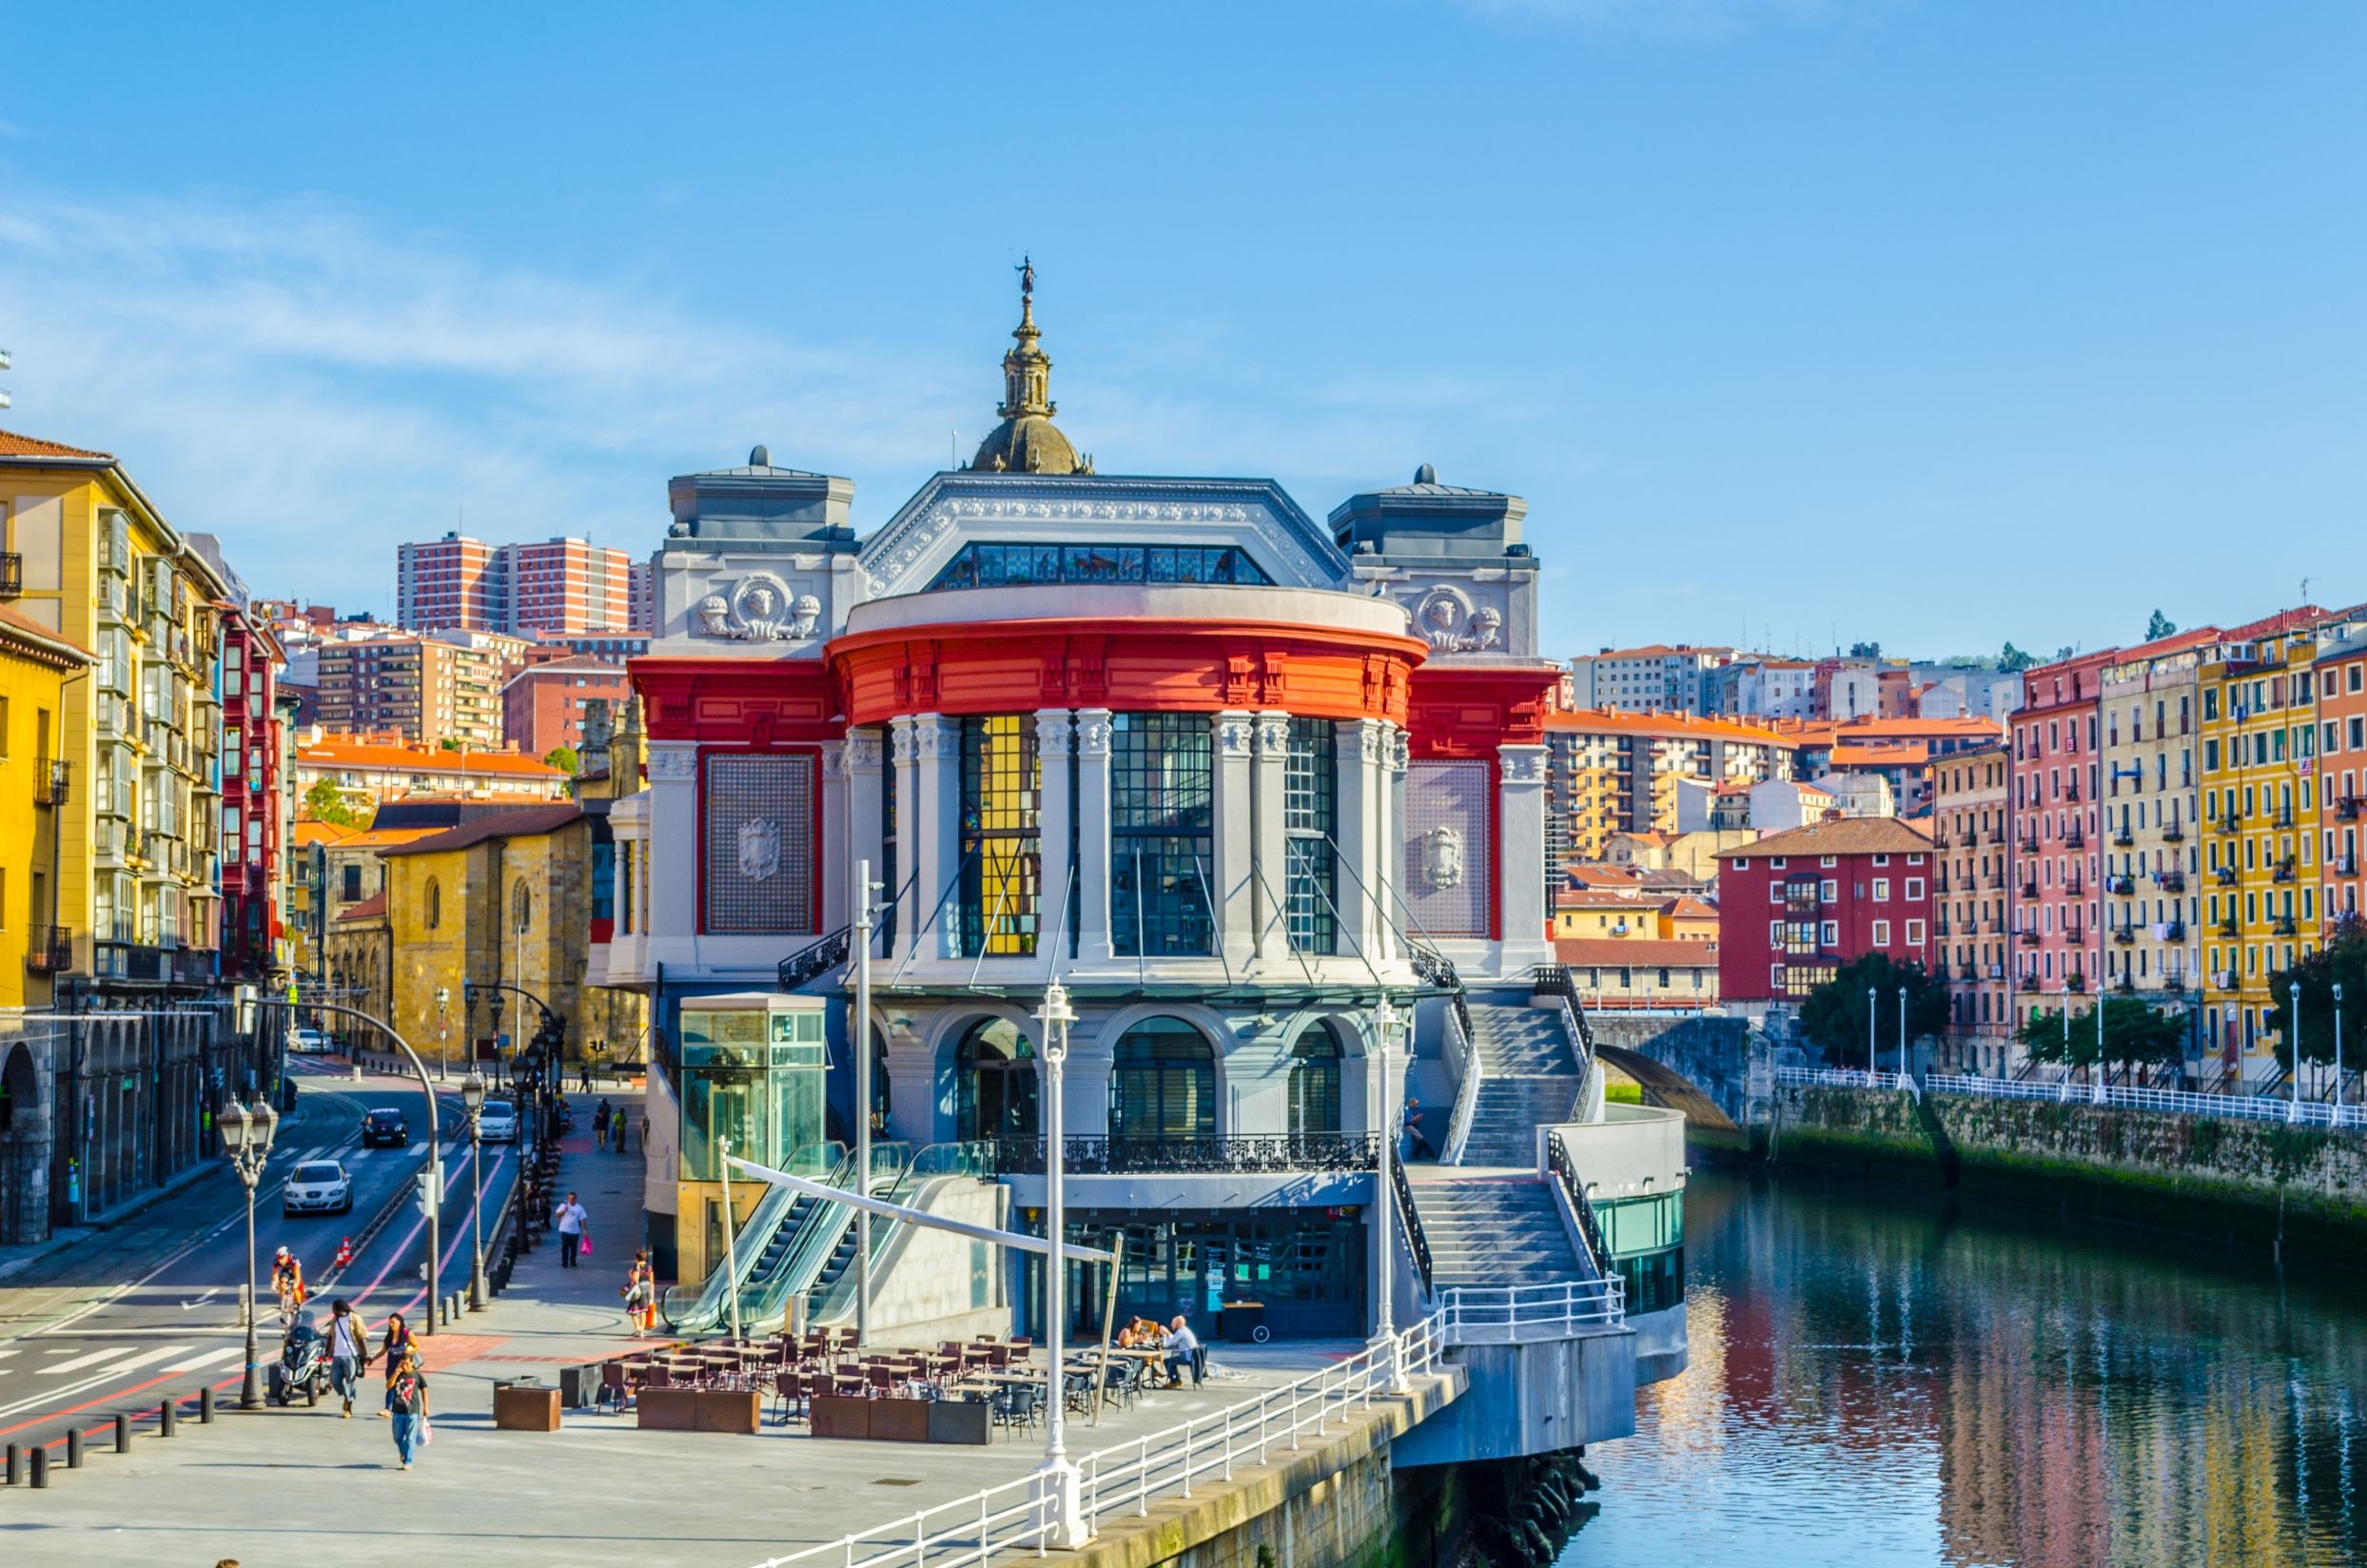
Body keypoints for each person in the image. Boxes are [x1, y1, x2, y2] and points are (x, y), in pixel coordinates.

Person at [385, 1348, 431, 1469]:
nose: (404, 1366)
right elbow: (388, 1386)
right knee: (397, 1437)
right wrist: (395, 1373)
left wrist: (426, 1407)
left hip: (412, 1411)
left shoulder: (417, 1375)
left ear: (411, 1362)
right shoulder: (398, 1374)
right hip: (398, 1411)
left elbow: (424, 1390)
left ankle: (408, 1461)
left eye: (406, 1363)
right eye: (402, 1363)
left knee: (410, 1438)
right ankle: (404, 1452)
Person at [324, 1297, 368, 1418]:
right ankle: (346, 1396)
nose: (332, 1311)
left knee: (350, 1382)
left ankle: (348, 1409)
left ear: (340, 1309)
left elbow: (362, 1337)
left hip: (350, 1356)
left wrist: (366, 1355)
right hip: (337, 1355)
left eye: (334, 1309)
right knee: (334, 1380)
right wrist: (327, 1351)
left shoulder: (354, 1319)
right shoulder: (335, 1320)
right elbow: (330, 1335)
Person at [375, 1309, 417, 1415]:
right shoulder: (389, 1336)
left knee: (399, 1387)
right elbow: (383, 1351)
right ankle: (388, 1410)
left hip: (403, 1365)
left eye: (393, 1322)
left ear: (400, 1322)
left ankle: (392, 1409)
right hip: (391, 1365)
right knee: (391, 1386)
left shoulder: (407, 1334)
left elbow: (416, 1346)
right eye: (390, 1322)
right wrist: (372, 1359)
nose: (391, 1324)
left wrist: (409, 1352)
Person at [1162, 1315, 1203, 1389]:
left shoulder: (1180, 1332)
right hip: (1192, 1356)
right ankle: (1176, 1379)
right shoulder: (1185, 1330)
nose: (1171, 1324)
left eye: (1173, 1322)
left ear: (1177, 1323)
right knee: (1171, 1360)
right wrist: (1167, 1333)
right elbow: (1174, 1341)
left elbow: (1167, 1344)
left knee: (1166, 1361)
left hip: (1186, 1357)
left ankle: (1174, 1381)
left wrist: (1164, 1334)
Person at [553, 1189, 589, 1267]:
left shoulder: (579, 1208)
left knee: (573, 1247)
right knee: (565, 1247)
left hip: (575, 1231)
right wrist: (564, 1211)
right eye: (570, 1198)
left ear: (576, 1199)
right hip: (565, 1230)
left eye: (573, 1198)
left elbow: (582, 1220)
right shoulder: (564, 1206)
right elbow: (557, 1215)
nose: (571, 1200)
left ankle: (573, 1261)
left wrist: (585, 1230)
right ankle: (564, 1262)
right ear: (568, 1199)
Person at [270, 1245, 306, 1322]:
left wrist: (296, 1284)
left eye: (282, 1258)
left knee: (295, 1289)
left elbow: (297, 1275)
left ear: (286, 1256)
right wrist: (274, 1285)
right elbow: (275, 1274)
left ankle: (299, 1305)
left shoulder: (293, 1260)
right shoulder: (276, 1262)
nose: (280, 1261)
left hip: (294, 1271)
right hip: (286, 1271)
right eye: (278, 1258)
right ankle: (284, 1301)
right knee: (282, 1282)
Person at [622, 1250, 655, 1334]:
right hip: (647, 1290)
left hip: (638, 1290)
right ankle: (641, 1332)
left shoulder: (636, 1266)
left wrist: (630, 1274)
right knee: (643, 1311)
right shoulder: (649, 1267)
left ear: (637, 1258)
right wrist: (652, 1297)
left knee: (632, 1311)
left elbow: (635, 1279)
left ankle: (638, 1327)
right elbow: (652, 1282)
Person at [1402, 1095, 1438, 1162]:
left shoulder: (1409, 1110)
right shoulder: (1406, 1109)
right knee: (1422, 1139)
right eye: (1415, 1104)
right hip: (1408, 1127)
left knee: (1420, 1140)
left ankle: (1417, 1154)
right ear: (1411, 1102)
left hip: (1412, 1126)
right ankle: (1431, 1154)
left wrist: (1417, 1119)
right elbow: (1407, 1122)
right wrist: (1415, 1118)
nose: (1416, 1105)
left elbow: (1411, 1120)